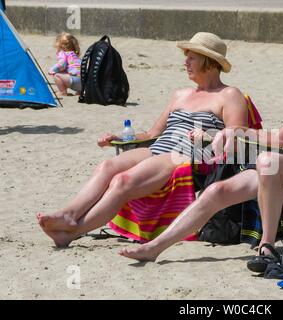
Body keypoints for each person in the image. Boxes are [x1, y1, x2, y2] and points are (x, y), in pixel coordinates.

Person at [118, 30, 283, 266]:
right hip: (279, 163)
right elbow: (279, 139)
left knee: (265, 161)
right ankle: (155, 247)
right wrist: (233, 131)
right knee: (216, 190)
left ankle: (267, 245)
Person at [37, 32, 248, 247]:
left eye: (191, 57)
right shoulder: (180, 95)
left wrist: (210, 136)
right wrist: (120, 137)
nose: (185, 62)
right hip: (158, 147)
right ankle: (69, 214)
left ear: (210, 62)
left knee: (122, 181)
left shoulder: (230, 95)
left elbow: (239, 136)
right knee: (107, 166)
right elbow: (151, 134)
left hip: (185, 156)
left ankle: (72, 231)